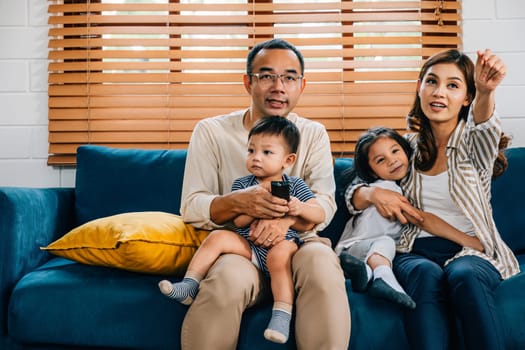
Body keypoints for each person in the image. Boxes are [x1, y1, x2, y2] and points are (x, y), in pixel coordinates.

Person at [178, 38, 350, 350]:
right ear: (248, 82)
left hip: (298, 245)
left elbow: (325, 202)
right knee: (225, 281)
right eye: (267, 76)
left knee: (323, 268)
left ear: (302, 85)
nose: (278, 87)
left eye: (289, 77)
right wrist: (238, 202)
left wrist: (284, 222)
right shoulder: (211, 131)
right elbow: (191, 205)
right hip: (242, 245)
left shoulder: (313, 133)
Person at [349, 49, 520, 350]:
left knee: (464, 275)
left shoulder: (472, 145)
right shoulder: (407, 147)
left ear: (466, 97)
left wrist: (485, 92)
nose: (439, 92)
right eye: (432, 82)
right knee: (424, 273)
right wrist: (372, 193)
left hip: (472, 250)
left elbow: (484, 128)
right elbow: (355, 190)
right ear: (420, 87)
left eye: (453, 85)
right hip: (415, 248)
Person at [159, 116, 325, 344]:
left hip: (282, 246)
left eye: (267, 153)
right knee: (218, 237)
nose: (256, 157)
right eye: (251, 151)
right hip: (250, 250)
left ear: (288, 160)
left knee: (279, 255)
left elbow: (319, 215)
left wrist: (299, 207)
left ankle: (281, 316)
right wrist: (249, 205)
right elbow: (238, 223)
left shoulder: (294, 185)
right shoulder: (242, 186)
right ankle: (189, 284)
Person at [336, 127, 485, 310]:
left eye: (395, 151)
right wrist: (468, 240)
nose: (392, 161)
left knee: (385, 244)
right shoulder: (387, 189)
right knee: (386, 242)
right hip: (355, 247)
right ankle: (384, 278)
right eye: (381, 160)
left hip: (362, 251)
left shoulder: (399, 185)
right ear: (373, 172)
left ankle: (364, 272)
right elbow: (420, 219)